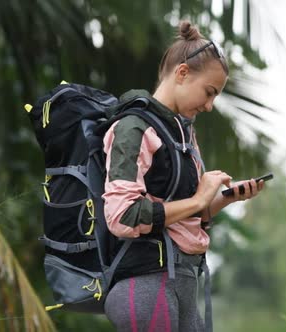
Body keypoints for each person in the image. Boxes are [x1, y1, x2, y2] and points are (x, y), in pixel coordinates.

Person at [102, 21, 265, 332]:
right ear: (182, 74)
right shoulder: (134, 128)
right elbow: (122, 215)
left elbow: (187, 213)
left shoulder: (184, 137)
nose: (210, 106)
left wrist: (221, 200)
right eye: (209, 92)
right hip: (146, 284)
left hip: (182, 284)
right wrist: (198, 199)